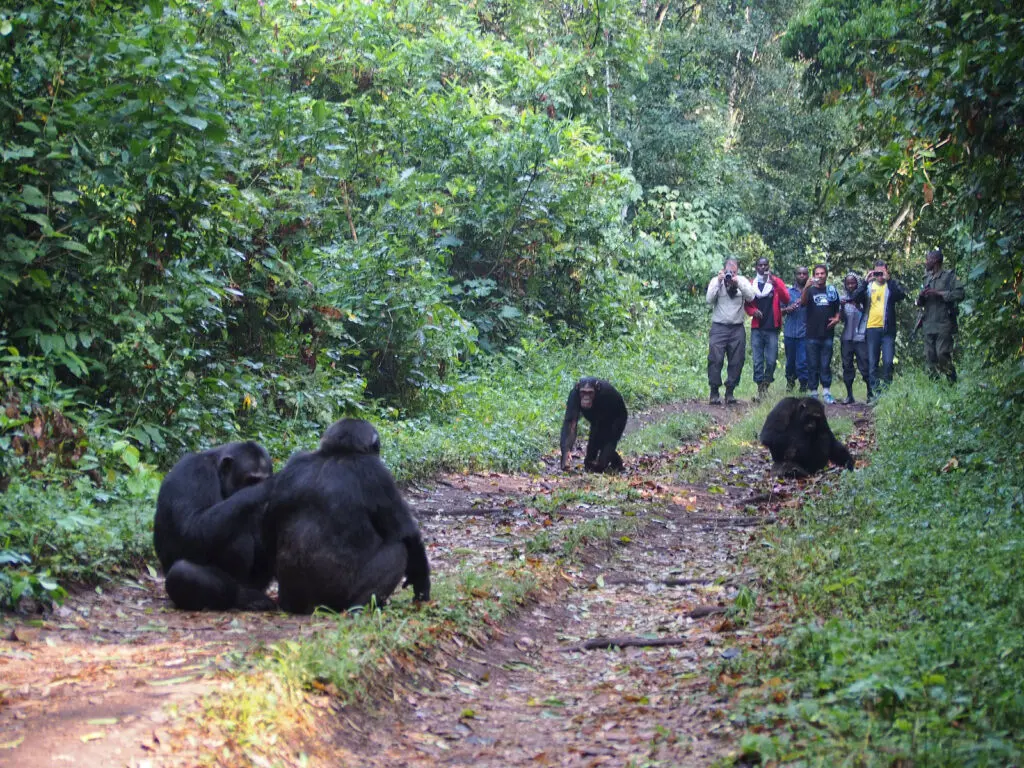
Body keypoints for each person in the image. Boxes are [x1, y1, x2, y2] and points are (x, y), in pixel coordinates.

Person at [851, 259, 907, 398]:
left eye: (882, 273)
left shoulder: (890, 286)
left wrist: (890, 280)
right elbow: (855, 298)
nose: (879, 276)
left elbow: (901, 295)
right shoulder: (869, 287)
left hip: (888, 330)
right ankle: (874, 394)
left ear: (887, 272)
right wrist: (865, 282)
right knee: (872, 364)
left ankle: (886, 393)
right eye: (877, 272)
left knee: (888, 362)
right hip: (871, 329)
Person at [705, 257, 755, 405]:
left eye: (733, 272)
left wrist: (737, 283)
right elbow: (709, 300)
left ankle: (730, 392)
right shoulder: (716, 281)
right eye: (728, 272)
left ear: (737, 271)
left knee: (737, 360)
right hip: (719, 327)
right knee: (715, 359)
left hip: (737, 327)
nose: (730, 275)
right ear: (723, 270)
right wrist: (720, 282)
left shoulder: (742, 281)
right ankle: (714, 391)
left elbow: (751, 297)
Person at [744, 257, 790, 402]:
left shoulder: (776, 282)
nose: (763, 268)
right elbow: (746, 303)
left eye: (765, 265)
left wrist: (775, 282)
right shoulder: (752, 284)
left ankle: (766, 384)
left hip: (772, 327)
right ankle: (760, 389)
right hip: (757, 328)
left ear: (768, 266)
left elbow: (786, 298)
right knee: (757, 361)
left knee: (771, 360)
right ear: (756, 267)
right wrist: (753, 312)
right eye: (760, 265)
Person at [916, 247, 965, 382]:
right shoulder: (926, 278)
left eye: (928, 259)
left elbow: (960, 294)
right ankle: (935, 385)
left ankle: (951, 380)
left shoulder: (949, 277)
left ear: (936, 260)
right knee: (929, 356)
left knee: (942, 353)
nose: (926, 262)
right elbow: (920, 303)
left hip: (944, 322)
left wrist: (939, 293)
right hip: (928, 322)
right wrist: (921, 297)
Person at [799, 263, 841, 404]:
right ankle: (813, 392)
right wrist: (806, 286)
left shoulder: (831, 290)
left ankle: (827, 392)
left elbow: (837, 308)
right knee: (812, 364)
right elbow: (803, 303)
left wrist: (837, 318)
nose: (819, 276)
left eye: (822, 273)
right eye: (817, 274)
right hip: (811, 335)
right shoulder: (810, 290)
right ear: (814, 275)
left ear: (826, 275)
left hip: (827, 334)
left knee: (825, 364)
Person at [839, 273, 871, 404]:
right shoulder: (842, 298)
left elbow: (867, 312)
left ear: (857, 283)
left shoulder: (864, 297)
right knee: (847, 366)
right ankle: (849, 395)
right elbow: (841, 319)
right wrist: (841, 306)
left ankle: (870, 394)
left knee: (864, 366)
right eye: (848, 283)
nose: (851, 285)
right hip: (847, 337)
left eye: (853, 283)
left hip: (861, 337)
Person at [781, 266, 810, 393]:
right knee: (790, 362)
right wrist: (787, 310)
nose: (802, 276)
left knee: (803, 362)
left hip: (805, 333)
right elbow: (779, 310)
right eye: (799, 273)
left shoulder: (812, 291)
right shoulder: (788, 292)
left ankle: (804, 385)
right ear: (795, 275)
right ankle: (790, 383)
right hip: (790, 332)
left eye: (804, 273)